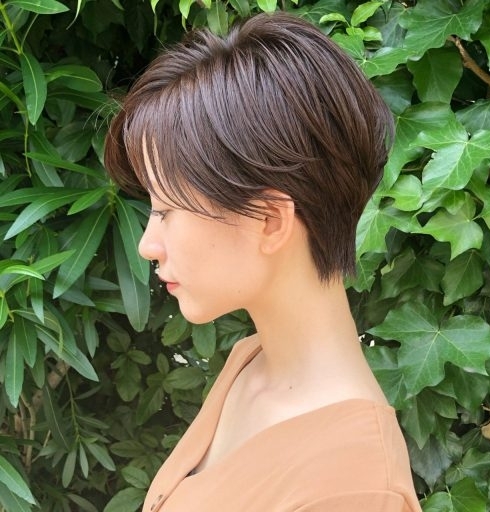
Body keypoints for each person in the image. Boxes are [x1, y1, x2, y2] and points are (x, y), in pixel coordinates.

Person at [104, 11, 422, 512]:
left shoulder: (353, 486)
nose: (147, 245)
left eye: (166, 211)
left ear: (271, 220)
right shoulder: (251, 362)